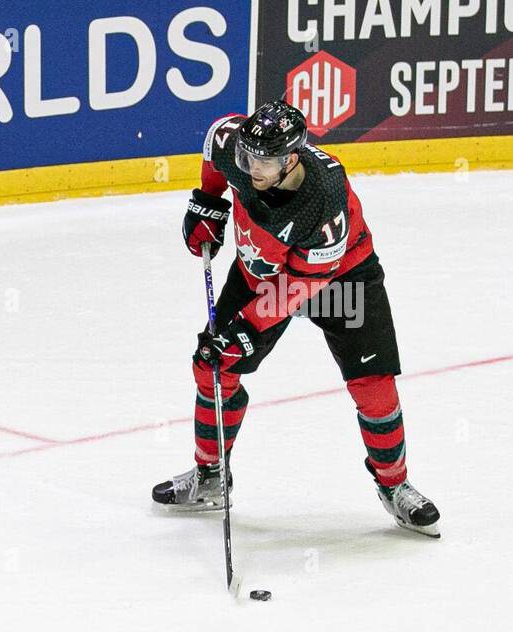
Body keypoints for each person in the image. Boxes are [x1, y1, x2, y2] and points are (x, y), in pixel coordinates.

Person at [155, 99, 440, 537]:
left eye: (263, 162)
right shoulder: (237, 147)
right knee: (213, 365)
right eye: (247, 157)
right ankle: (211, 476)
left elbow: (298, 288)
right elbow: (215, 145)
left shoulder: (323, 203)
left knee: (373, 384)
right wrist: (208, 202)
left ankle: (394, 485)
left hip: (338, 281)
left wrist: (246, 331)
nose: (250, 169)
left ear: (291, 158)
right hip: (259, 271)